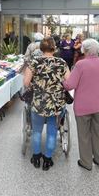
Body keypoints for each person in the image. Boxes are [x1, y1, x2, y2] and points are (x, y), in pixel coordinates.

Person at [63, 38, 99, 171]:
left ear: (84, 49)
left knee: (84, 134)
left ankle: (86, 162)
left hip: (83, 106)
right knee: (98, 133)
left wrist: (62, 80)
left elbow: (70, 85)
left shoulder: (80, 65)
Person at [23, 37, 70, 171]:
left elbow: (26, 83)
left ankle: (36, 158)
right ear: (54, 48)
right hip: (56, 104)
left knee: (36, 131)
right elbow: (69, 82)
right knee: (52, 132)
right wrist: (56, 86)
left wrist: (36, 86)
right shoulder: (61, 62)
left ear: (41, 48)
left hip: (38, 103)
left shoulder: (34, 62)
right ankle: (48, 160)